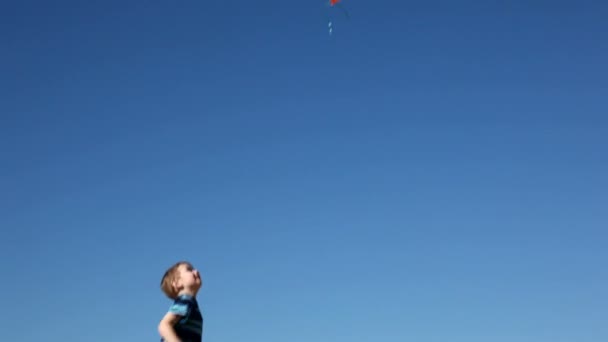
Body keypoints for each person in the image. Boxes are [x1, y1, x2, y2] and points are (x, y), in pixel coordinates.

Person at [158, 261, 204, 342]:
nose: (196, 271)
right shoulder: (185, 301)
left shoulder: (189, 303)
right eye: (189, 270)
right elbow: (164, 325)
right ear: (177, 283)